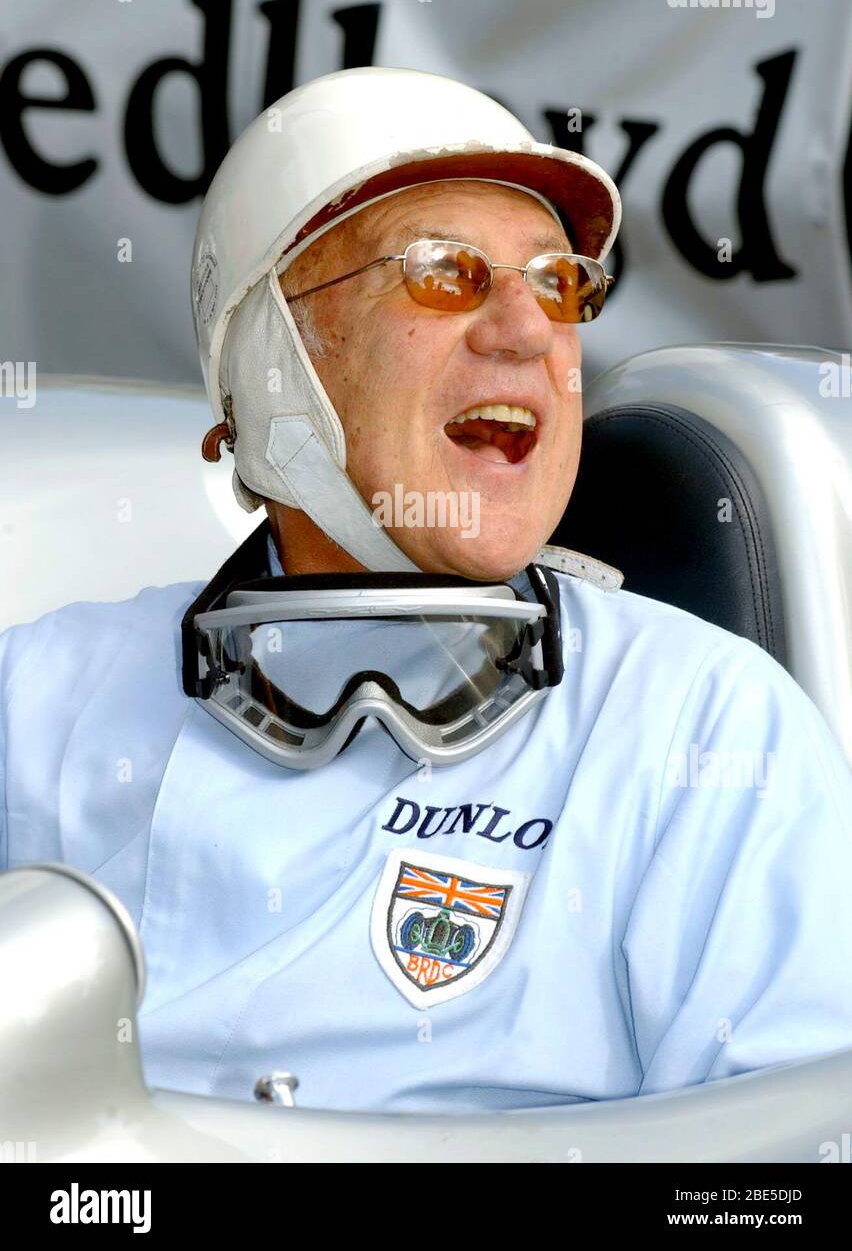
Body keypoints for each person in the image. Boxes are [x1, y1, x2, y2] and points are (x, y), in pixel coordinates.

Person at [1, 67, 851, 1115]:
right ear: (273, 364)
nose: (529, 331)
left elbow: (781, 1165)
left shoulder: (707, 722)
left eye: (560, 283)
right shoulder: (37, 697)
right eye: (444, 273)